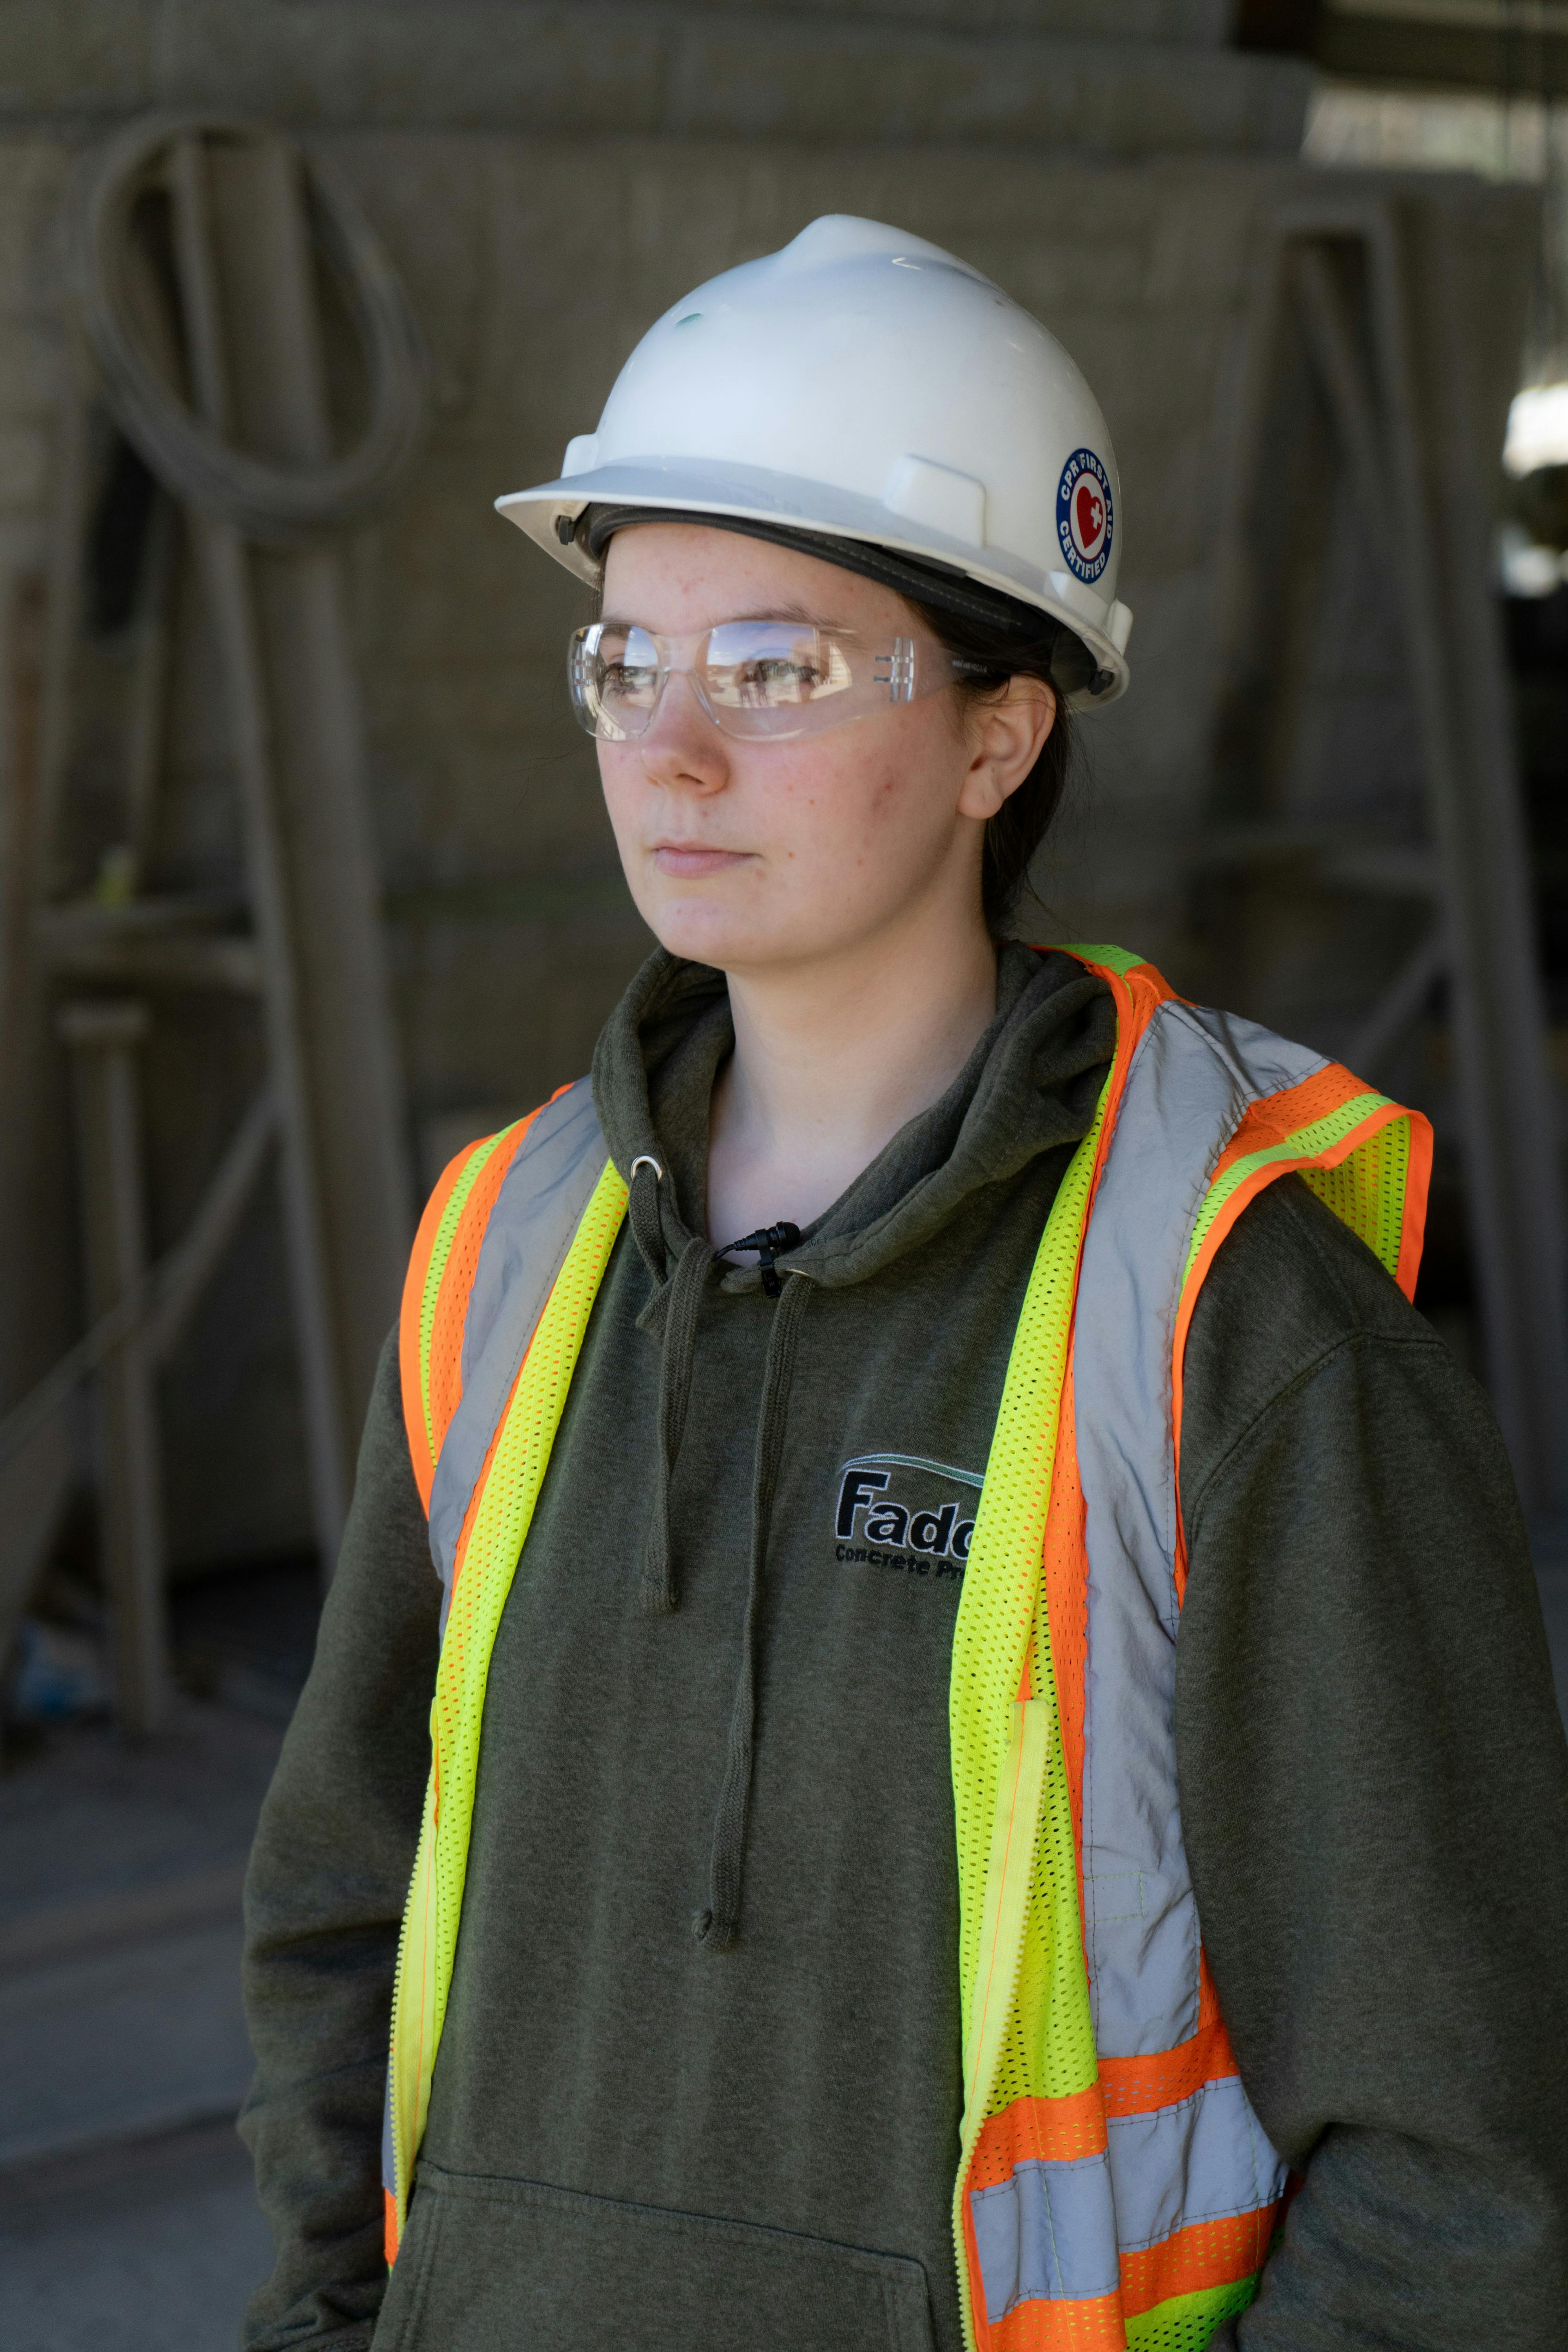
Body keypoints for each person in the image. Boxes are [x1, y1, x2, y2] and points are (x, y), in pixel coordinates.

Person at [240, 217, 1568, 2352]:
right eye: (626, 662)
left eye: (774, 668)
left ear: (996, 737)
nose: (672, 747)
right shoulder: (509, 1243)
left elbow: (1458, 2162)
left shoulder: (1232, 1328)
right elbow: (340, 1914)